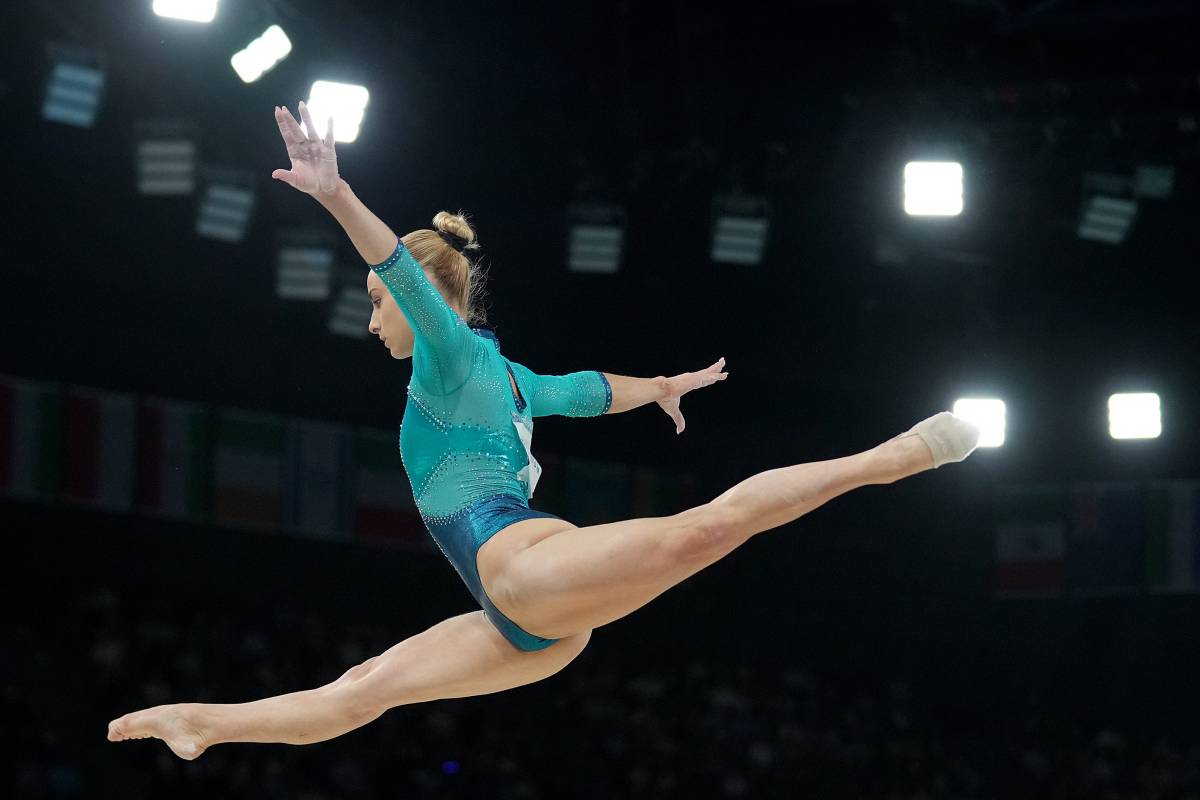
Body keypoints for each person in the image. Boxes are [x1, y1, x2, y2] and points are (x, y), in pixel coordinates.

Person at [107, 102, 980, 760]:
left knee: (704, 531)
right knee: (359, 694)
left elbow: (397, 269)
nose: (373, 321)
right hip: (520, 623)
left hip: (525, 572)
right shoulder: (506, 379)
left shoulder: (447, 355)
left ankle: (891, 457)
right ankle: (202, 723)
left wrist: (337, 194)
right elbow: (586, 391)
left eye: (378, 307)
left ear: (432, 301)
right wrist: (660, 386)